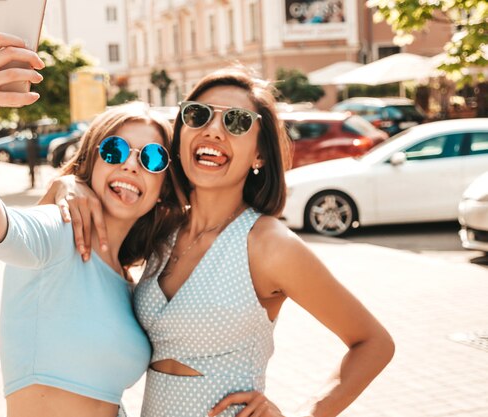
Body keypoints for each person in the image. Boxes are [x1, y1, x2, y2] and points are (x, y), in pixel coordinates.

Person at [43, 66, 395, 417]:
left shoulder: (269, 245)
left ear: (259, 153)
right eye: (198, 115)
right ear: (181, 135)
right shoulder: (161, 231)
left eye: (237, 122)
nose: (213, 130)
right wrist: (66, 184)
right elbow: (62, 249)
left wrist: (308, 412)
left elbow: (373, 343)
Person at [0, 33, 185, 417]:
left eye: (151, 158)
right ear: (90, 162)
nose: (131, 165)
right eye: (114, 150)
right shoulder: (57, 230)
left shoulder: (130, 281)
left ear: (163, 189)